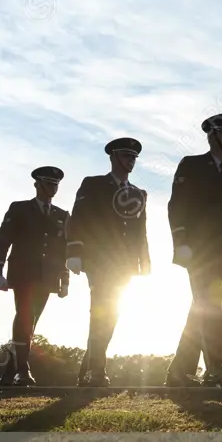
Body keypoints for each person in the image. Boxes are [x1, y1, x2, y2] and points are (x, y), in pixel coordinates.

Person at [164, 113, 222, 387]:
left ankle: (179, 372)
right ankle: (217, 367)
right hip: (199, 251)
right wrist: (181, 243)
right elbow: (177, 205)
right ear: (212, 135)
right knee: (210, 306)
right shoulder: (192, 165)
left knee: (200, 309)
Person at [66, 138, 151, 387]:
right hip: (98, 259)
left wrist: (144, 262)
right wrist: (74, 251)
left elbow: (141, 231)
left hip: (124, 262)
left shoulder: (138, 193)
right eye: (126, 156)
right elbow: (78, 218)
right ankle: (97, 371)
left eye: (134, 157)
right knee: (101, 310)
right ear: (113, 157)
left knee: (112, 314)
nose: (131, 161)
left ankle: (88, 368)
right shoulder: (93, 185)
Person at [0, 166, 70, 386]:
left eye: (56, 184)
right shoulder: (20, 209)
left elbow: (63, 250)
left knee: (32, 320)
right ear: (37, 184)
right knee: (25, 315)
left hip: (48, 276)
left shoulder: (61, 215)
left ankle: (11, 370)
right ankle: (23, 370)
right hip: (23, 273)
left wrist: (65, 280)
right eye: (49, 183)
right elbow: (3, 241)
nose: (53, 188)